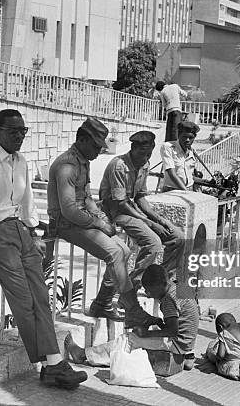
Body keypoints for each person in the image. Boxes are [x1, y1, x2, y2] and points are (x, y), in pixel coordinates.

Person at [0, 109, 87, 389]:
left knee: (41, 296)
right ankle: (53, 364)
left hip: (20, 231)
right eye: (14, 132)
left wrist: (35, 232)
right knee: (23, 301)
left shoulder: (21, 161)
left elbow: (26, 202)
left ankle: (53, 365)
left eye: (23, 132)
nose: (19, 137)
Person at [47, 117, 159, 328]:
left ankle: (102, 303)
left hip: (80, 220)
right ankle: (133, 311)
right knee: (115, 252)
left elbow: (87, 198)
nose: (99, 151)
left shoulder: (82, 161)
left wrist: (101, 218)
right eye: (96, 146)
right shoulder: (68, 165)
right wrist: (98, 224)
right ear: (81, 140)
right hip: (65, 223)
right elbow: (69, 210)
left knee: (124, 250)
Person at [64, 264, 199, 370]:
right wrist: (157, 322)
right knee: (144, 334)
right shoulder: (177, 286)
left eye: (149, 290)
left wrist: (147, 333)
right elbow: (182, 319)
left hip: (178, 343)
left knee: (129, 340)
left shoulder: (169, 299)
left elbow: (173, 331)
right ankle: (188, 356)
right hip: (188, 342)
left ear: (160, 285)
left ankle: (83, 355)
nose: (148, 293)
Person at [99, 130, 185, 286]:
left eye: (148, 154)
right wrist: (150, 223)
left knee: (177, 238)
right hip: (115, 211)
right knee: (153, 243)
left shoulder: (144, 164)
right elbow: (120, 203)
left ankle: (160, 282)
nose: (145, 158)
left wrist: (157, 218)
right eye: (141, 154)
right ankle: (132, 288)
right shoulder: (119, 165)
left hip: (131, 208)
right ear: (133, 149)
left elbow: (139, 196)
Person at [205, 313, 240, 381]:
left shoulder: (224, 333)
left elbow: (220, 355)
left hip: (238, 366)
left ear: (220, 327)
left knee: (212, 353)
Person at [160, 120, 202, 192]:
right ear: (179, 135)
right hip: (172, 191)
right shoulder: (168, 147)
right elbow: (172, 173)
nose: (187, 140)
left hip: (189, 189)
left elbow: (189, 176)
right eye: (184, 137)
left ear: (194, 137)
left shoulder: (192, 152)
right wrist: (186, 192)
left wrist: (204, 181)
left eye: (190, 137)